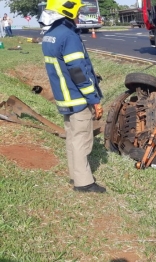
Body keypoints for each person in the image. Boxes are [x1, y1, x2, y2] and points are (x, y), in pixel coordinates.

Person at [40, 0, 106, 193]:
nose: (79, 16)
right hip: (77, 97)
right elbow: (78, 71)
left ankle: (74, 175)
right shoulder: (69, 36)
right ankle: (84, 182)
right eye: (78, 12)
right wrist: (94, 99)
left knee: (72, 137)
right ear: (68, 11)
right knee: (81, 139)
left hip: (63, 96)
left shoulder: (50, 34)